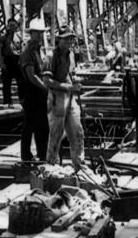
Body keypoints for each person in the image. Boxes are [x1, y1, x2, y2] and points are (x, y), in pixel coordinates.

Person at [43, 25, 85, 170]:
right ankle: (51, 166)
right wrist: (68, 87)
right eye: (65, 39)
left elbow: (70, 73)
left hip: (70, 97)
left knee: (77, 132)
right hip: (57, 98)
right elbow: (47, 81)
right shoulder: (50, 57)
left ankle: (79, 164)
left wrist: (75, 81)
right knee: (56, 134)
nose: (68, 42)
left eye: (70, 39)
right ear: (59, 40)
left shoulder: (71, 55)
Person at [19, 19, 50, 163]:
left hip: (39, 93)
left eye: (40, 33)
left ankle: (42, 153)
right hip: (31, 93)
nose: (39, 35)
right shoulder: (28, 52)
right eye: (36, 33)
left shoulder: (39, 51)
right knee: (29, 125)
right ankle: (26, 156)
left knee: (42, 124)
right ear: (31, 34)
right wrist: (45, 88)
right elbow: (32, 76)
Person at [0, 19, 22, 107]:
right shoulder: (3, 37)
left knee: (20, 82)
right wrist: (2, 63)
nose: (12, 27)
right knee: (6, 83)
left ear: (16, 26)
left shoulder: (19, 37)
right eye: (10, 25)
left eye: (14, 25)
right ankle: (7, 102)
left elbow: (22, 49)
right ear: (7, 26)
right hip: (7, 60)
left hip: (17, 60)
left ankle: (21, 101)